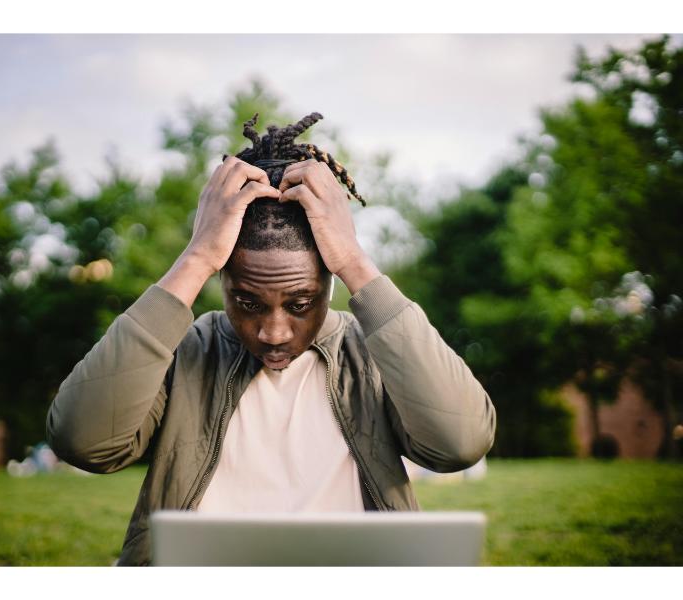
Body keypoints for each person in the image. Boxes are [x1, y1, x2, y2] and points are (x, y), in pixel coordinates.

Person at [46, 112, 496, 566]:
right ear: (221, 280)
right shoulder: (185, 350)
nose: (273, 332)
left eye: (300, 304)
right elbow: (83, 442)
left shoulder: (376, 352)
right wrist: (196, 256)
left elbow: (459, 442)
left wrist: (356, 261)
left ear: (330, 283)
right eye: (248, 302)